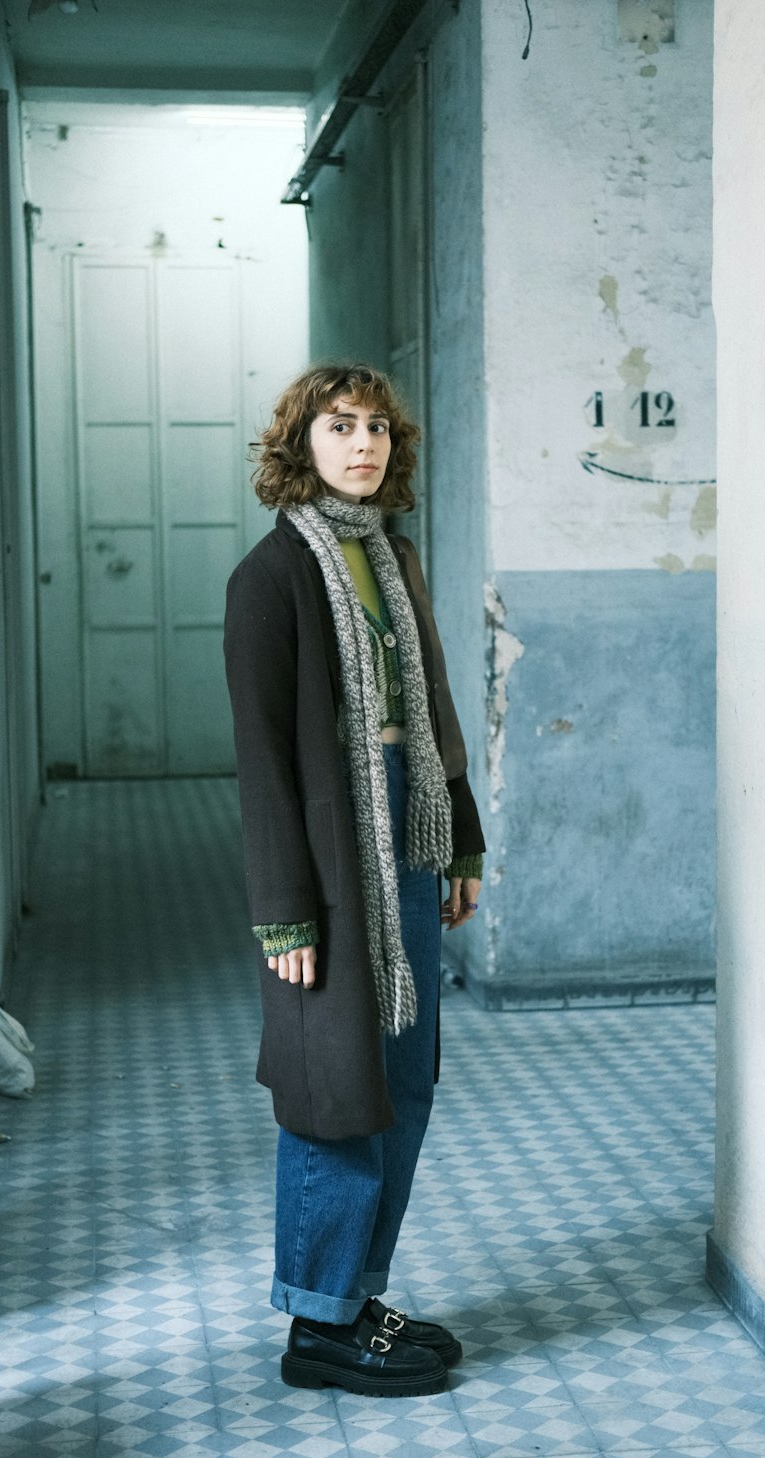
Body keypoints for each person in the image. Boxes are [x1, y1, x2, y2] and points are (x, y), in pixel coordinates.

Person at [223, 363, 485, 1397]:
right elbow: (262, 756)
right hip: (329, 854)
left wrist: (455, 843)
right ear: (302, 442)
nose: (363, 444)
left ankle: (356, 1295)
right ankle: (317, 1325)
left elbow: (435, 723)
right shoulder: (271, 577)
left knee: (405, 1079)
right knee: (335, 1090)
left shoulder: (392, 556)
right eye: (340, 426)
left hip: (405, 835)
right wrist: (284, 912)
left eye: (377, 427)